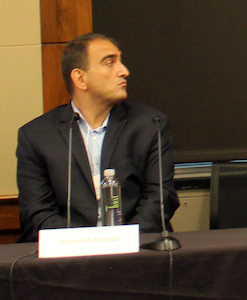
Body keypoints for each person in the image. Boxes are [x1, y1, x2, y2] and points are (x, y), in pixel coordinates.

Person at [16, 33, 177, 243]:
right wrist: (86, 246)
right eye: (110, 63)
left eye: (120, 61)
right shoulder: (37, 136)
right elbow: (37, 213)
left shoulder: (150, 125)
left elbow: (160, 200)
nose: (124, 71)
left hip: (137, 252)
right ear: (81, 78)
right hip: (67, 260)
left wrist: (121, 243)